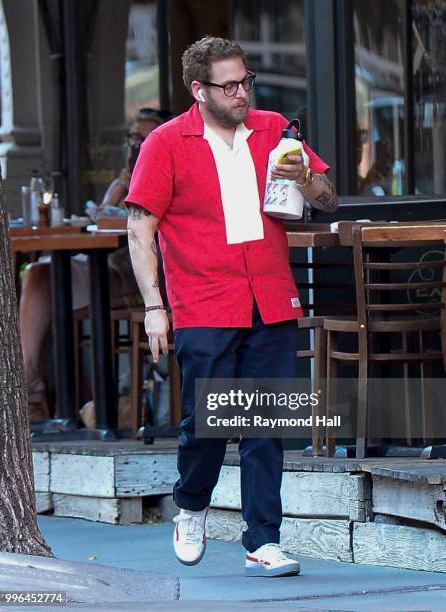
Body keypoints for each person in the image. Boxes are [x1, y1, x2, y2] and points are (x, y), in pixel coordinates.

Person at [126, 36, 338, 577]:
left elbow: (328, 199)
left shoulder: (275, 130)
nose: (241, 93)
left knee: (264, 424)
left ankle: (263, 539)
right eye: (229, 85)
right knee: (209, 423)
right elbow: (140, 227)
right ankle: (192, 502)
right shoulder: (166, 143)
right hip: (202, 302)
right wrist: (155, 307)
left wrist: (307, 180)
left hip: (270, 296)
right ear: (199, 90)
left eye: (246, 81)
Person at [20, 108, 171, 419]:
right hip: (108, 262)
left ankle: (32, 386)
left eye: (145, 138)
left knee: (46, 279)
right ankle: (30, 378)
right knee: (39, 272)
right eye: (134, 138)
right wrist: (121, 183)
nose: (138, 145)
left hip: (143, 273)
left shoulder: (168, 167)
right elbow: (103, 216)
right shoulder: (127, 177)